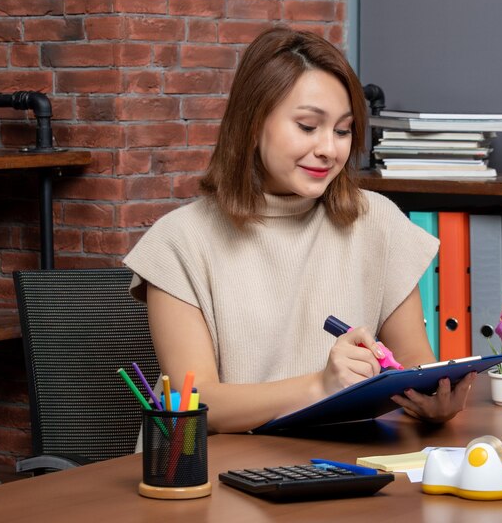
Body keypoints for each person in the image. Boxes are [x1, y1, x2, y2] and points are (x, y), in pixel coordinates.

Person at [124, 26, 475, 433]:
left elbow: (414, 369)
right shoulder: (178, 242)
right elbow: (195, 402)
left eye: (342, 130)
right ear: (253, 125)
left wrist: (433, 399)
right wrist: (320, 385)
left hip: (342, 467)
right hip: (212, 477)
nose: (329, 148)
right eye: (308, 127)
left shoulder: (378, 222)